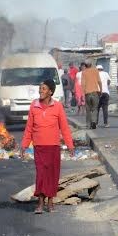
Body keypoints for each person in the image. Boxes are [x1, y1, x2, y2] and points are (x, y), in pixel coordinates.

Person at [21, 79, 74, 214]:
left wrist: (70, 144)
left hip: (53, 147)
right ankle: (40, 203)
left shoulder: (57, 106)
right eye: (40, 88)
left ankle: (50, 203)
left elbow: (64, 127)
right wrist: (24, 145)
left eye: (44, 89)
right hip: (39, 147)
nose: (41, 91)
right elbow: (29, 128)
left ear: (50, 91)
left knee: (52, 175)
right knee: (41, 174)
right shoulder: (34, 105)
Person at [81, 60, 102, 129]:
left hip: (87, 93)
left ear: (85, 65)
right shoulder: (95, 71)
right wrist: (101, 90)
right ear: (91, 65)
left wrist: (82, 94)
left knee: (88, 109)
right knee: (95, 108)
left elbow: (83, 84)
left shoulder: (84, 72)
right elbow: (99, 81)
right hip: (95, 92)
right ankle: (94, 121)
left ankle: (89, 124)